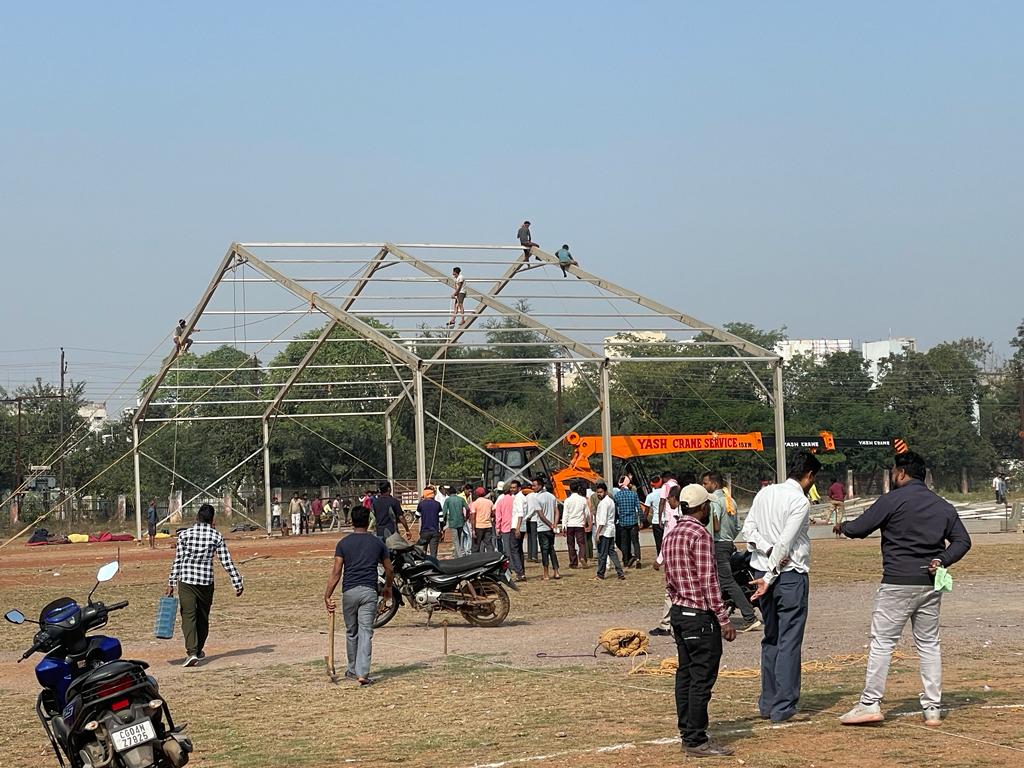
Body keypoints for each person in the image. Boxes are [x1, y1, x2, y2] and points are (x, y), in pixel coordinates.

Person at [836, 451, 972, 727]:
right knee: (929, 645)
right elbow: (962, 541)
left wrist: (842, 527)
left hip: (897, 583)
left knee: (883, 643)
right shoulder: (942, 505)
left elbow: (861, 528)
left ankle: (869, 703)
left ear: (901, 473)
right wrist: (941, 559)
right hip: (929, 583)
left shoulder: (893, 499)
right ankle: (932, 707)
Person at [744, 451, 821, 723]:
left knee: (771, 637)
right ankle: (784, 706)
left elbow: (748, 530)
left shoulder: (765, 493)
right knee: (789, 640)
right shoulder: (800, 501)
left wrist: (765, 557)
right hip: (787, 575)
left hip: (760, 569)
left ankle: (768, 702)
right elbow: (785, 544)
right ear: (809, 476)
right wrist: (771, 573)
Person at [662, 483, 737, 757]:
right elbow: (709, 581)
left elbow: (668, 580)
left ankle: (687, 732)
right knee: (701, 679)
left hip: (679, 613)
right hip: (699, 616)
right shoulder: (700, 534)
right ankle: (696, 739)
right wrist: (723, 618)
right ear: (703, 507)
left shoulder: (671, 535)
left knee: (685, 675)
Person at [165, 503, 244, 667]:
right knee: (202, 617)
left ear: (197, 518)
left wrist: (171, 582)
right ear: (212, 520)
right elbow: (226, 561)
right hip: (206, 582)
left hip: (186, 580)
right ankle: (197, 649)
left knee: (188, 615)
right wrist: (237, 582)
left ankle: (192, 652)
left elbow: (178, 560)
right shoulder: (216, 536)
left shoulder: (185, 535)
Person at [324, 506, 393, 686]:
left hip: (349, 592)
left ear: (352, 521)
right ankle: (362, 673)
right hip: (369, 592)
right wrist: (388, 587)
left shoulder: (344, 543)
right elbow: (389, 568)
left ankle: (352, 669)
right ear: (369, 520)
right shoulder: (377, 543)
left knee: (351, 631)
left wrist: (327, 595)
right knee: (365, 632)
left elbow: (336, 572)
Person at [704, 470, 760, 632]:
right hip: (728, 544)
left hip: (718, 545)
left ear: (714, 484)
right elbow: (737, 527)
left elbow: (712, 527)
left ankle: (749, 616)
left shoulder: (713, 501)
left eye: (705, 483)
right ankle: (714, 616)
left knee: (727, 581)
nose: (704, 486)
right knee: (720, 582)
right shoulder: (731, 501)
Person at [650, 484, 685, 635]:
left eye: (669, 498)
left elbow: (669, 538)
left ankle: (666, 624)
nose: (667, 501)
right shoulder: (679, 512)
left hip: (675, 559)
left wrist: (660, 559)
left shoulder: (677, 515)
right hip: (679, 558)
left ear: (674, 498)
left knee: (670, 591)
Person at [527, 477, 561, 580]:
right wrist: (554, 523)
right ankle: (556, 571)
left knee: (544, 550)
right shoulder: (551, 496)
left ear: (540, 486)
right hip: (551, 528)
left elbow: (541, 515)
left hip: (543, 528)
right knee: (551, 549)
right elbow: (557, 511)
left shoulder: (536, 498)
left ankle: (546, 573)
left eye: (534, 485)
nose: (533, 487)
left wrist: (550, 524)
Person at [593, 482, 625, 580]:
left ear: (605, 492)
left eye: (601, 492)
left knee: (602, 554)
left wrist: (597, 533)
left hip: (605, 531)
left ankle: (600, 574)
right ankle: (620, 572)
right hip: (610, 530)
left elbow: (602, 520)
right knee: (612, 552)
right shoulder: (611, 501)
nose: (599, 494)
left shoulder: (603, 503)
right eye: (597, 492)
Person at [614, 477, 642, 568]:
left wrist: (616, 519)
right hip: (633, 522)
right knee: (635, 542)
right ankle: (638, 559)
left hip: (622, 523)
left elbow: (615, 510)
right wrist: (642, 520)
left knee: (624, 543)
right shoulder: (633, 494)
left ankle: (625, 561)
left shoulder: (617, 496)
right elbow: (639, 508)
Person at [561, 480, 590, 568]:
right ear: (578, 488)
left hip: (570, 524)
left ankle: (573, 563)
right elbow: (587, 513)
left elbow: (565, 514)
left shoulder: (567, 500)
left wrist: (563, 526)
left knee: (571, 544)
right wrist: (587, 522)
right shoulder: (583, 499)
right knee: (581, 543)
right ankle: (582, 557)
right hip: (579, 524)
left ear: (570, 489)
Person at [508, 479, 529, 580]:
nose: (512, 489)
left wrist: (517, 528)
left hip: (517, 526)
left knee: (514, 550)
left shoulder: (519, 498)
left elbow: (520, 514)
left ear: (519, 488)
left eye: (514, 488)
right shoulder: (520, 497)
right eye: (511, 488)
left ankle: (520, 573)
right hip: (521, 526)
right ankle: (521, 571)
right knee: (519, 550)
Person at [416, 487, 443, 558]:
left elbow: (417, 516)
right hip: (435, 531)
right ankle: (434, 566)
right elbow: (441, 519)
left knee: (422, 552)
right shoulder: (438, 504)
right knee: (433, 553)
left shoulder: (421, 504)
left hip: (424, 531)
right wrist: (442, 529)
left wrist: (421, 502)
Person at [642, 475, 665, 560]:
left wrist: (644, 520)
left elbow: (646, 510)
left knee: (658, 541)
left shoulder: (650, 496)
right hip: (666, 520)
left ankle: (660, 557)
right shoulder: (666, 492)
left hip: (656, 521)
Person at [443, 488, 470, 558]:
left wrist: (442, 521)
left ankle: (460, 556)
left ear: (449, 493)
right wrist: (466, 517)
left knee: (455, 540)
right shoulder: (461, 499)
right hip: (461, 521)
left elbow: (444, 512)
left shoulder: (448, 500)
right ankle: (456, 555)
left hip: (452, 521)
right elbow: (467, 508)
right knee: (459, 538)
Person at [471, 487, 495, 553]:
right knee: (489, 544)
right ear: (484, 493)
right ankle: (492, 559)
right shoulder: (490, 502)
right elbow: (493, 514)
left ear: (476, 494)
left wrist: (473, 529)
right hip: (488, 526)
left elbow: (473, 517)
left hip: (478, 526)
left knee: (476, 546)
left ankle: (475, 560)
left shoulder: (475, 503)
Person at [494, 484, 514, 556]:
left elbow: (498, 517)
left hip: (505, 527)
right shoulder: (515, 499)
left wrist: (497, 528)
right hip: (514, 526)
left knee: (507, 547)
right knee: (514, 547)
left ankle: (509, 564)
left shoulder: (500, 501)